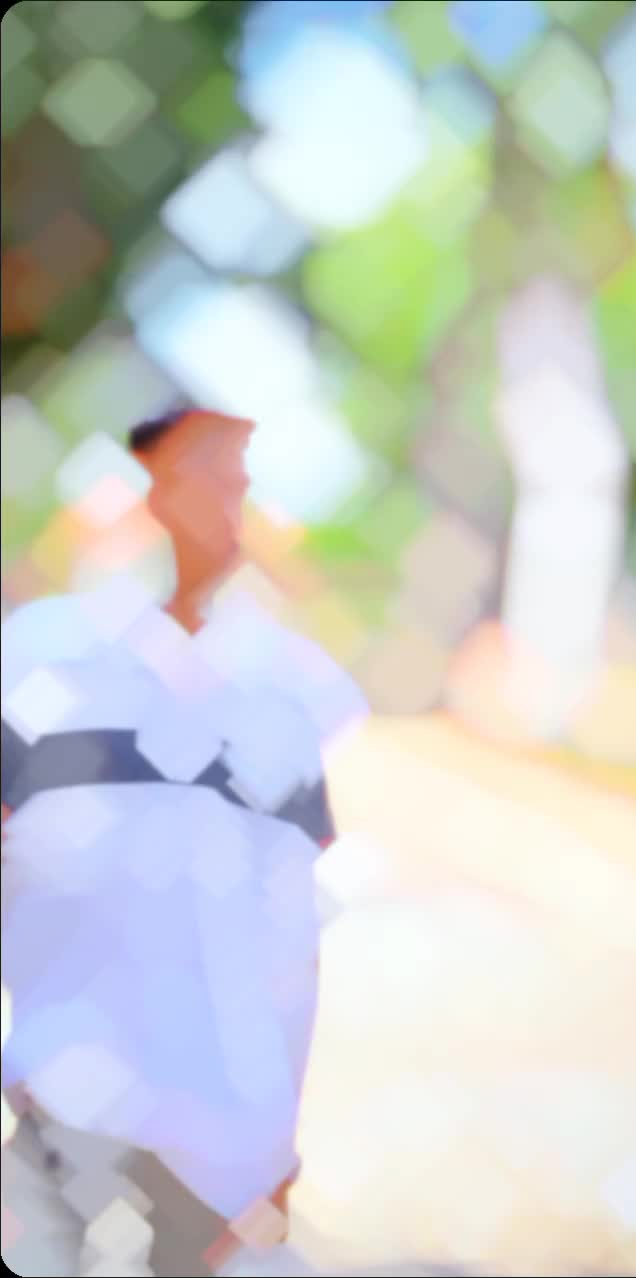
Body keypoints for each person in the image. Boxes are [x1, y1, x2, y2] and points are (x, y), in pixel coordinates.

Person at [1, 409, 367, 1271]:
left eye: (234, 480)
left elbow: (295, 941)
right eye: (190, 475)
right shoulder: (35, 657)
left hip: (230, 1163)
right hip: (62, 1126)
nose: (219, 505)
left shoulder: (282, 695)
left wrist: (279, 1155)